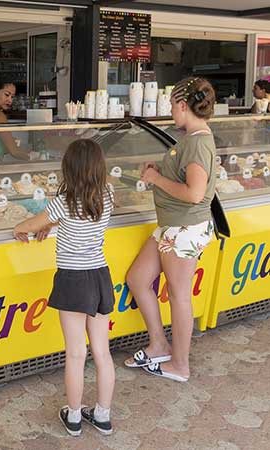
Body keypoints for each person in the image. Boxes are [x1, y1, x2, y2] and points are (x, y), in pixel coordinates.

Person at [13, 139, 116, 437]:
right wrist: (54, 225)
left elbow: (31, 224)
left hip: (73, 278)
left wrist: (18, 228)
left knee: (75, 353)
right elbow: (79, 223)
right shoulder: (107, 195)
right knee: (101, 352)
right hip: (99, 275)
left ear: (68, 169)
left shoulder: (64, 201)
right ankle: (103, 416)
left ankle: (73, 416)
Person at [124, 77, 216, 382]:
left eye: (172, 106)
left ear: (181, 105)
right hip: (170, 226)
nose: (171, 112)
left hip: (184, 228)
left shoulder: (199, 143)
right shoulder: (190, 138)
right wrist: (160, 170)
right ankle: (159, 344)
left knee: (179, 296)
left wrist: (156, 180)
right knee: (137, 279)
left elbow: (194, 193)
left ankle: (180, 365)